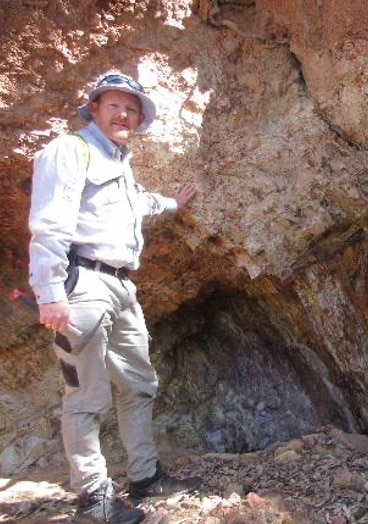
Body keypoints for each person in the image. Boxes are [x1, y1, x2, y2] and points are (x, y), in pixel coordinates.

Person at [28, 72, 201, 524]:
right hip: (82, 283)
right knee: (86, 395)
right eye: (114, 105)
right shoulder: (71, 149)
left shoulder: (119, 161)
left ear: (139, 118)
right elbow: (49, 223)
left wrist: (172, 204)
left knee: (139, 384)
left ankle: (145, 477)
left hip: (122, 286)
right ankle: (93, 500)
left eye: (131, 108)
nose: (123, 114)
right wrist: (49, 292)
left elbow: (135, 204)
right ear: (95, 109)